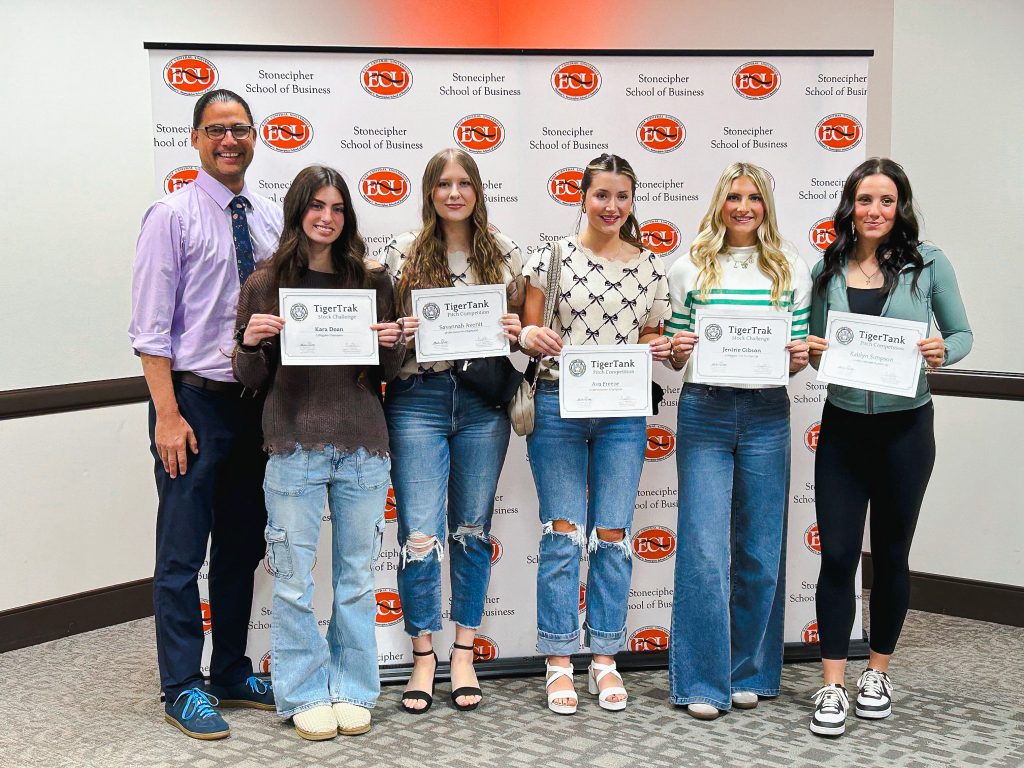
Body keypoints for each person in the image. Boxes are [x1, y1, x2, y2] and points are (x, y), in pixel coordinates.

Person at [129, 89, 282, 739]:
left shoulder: (272, 218)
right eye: (215, 130)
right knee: (182, 551)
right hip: (191, 403)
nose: (229, 140)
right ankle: (181, 685)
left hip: (255, 406)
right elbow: (149, 330)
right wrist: (167, 416)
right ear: (194, 139)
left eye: (240, 129)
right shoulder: (171, 216)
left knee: (242, 547)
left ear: (254, 138)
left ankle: (230, 670)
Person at [231, 165, 403, 739]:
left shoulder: (372, 281)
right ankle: (304, 691)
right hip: (292, 445)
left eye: (337, 208)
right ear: (297, 211)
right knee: (291, 580)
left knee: (357, 578)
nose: (326, 218)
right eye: (316, 206)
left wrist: (392, 344)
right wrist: (249, 342)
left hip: (363, 444)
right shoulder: (264, 284)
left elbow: (389, 370)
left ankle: (353, 687)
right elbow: (251, 378)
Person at [805, 157, 972, 737]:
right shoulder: (827, 267)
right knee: (837, 556)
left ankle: (877, 673)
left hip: (906, 431)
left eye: (886, 200)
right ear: (849, 205)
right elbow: (816, 348)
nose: (874, 211)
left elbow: (962, 334)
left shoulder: (929, 263)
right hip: (844, 429)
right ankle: (832, 683)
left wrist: (942, 352)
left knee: (892, 554)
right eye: (864, 199)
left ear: (900, 207)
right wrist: (815, 350)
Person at [519, 153, 671, 715]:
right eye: (601, 194)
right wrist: (531, 336)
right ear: (582, 197)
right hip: (558, 403)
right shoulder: (551, 256)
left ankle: (605, 657)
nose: (612, 206)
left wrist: (658, 346)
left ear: (632, 202)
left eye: (622, 196)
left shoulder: (650, 267)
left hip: (622, 412)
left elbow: (650, 336)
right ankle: (559, 658)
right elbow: (528, 327)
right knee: (562, 534)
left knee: (612, 534)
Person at [664, 162, 811, 720]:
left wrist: (798, 358)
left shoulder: (791, 268)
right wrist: (678, 350)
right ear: (719, 204)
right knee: (704, 550)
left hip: (767, 413)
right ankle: (702, 681)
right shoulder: (688, 267)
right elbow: (677, 350)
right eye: (733, 197)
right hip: (705, 410)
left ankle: (747, 670)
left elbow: (794, 360)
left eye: (754, 197)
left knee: (760, 551)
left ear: (767, 205)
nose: (743, 207)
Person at [383, 148, 524, 714]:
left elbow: (522, 330)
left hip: (482, 402)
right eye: (443, 183)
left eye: (464, 182)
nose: (454, 193)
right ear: (429, 192)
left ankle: (463, 652)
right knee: (419, 533)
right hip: (418, 396)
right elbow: (385, 337)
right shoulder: (402, 251)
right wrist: (401, 330)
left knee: (470, 529)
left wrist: (515, 328)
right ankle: (423, 655)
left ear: (478, 190)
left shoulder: (504, 251)